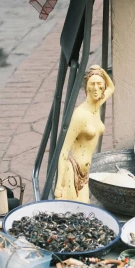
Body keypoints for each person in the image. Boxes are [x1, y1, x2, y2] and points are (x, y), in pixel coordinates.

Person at [55, 65, 114, 202]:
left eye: (99, 84)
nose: (96, 88)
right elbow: (64, 150)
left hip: (85, 172)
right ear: (86, 86)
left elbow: (111, 88)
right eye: (92, 84)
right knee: (75, 212)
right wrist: (59, 185)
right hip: (73, 170)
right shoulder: (79, 115)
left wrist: (101, 71)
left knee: (85, 212)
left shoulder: (97, 104)